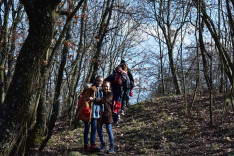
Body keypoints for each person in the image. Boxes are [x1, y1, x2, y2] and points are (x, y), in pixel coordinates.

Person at [76, 76, 104, 152]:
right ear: (95, 80)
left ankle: (93, 145)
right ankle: (86, 145)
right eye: (98, 80)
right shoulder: (91, 89)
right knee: (87, 128)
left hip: (96, 112)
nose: (100, 82)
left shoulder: (102, 90)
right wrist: (87, 108)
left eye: (101, 81)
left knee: (94, 129)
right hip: (88, 112)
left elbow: (102, 101)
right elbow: (85, 99)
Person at [87, 81, 115, 153]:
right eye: (104, 86)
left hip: (108, 115)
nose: (106, 87)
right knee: (99, 130)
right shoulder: (100, 92)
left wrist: (94, 99)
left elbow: (104, 100)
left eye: (107, 86)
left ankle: (112, 147)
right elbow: (92, 88)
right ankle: (103, 145)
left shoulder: (110, 94)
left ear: (109, 87)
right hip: (100, 115)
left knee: (109, 130)